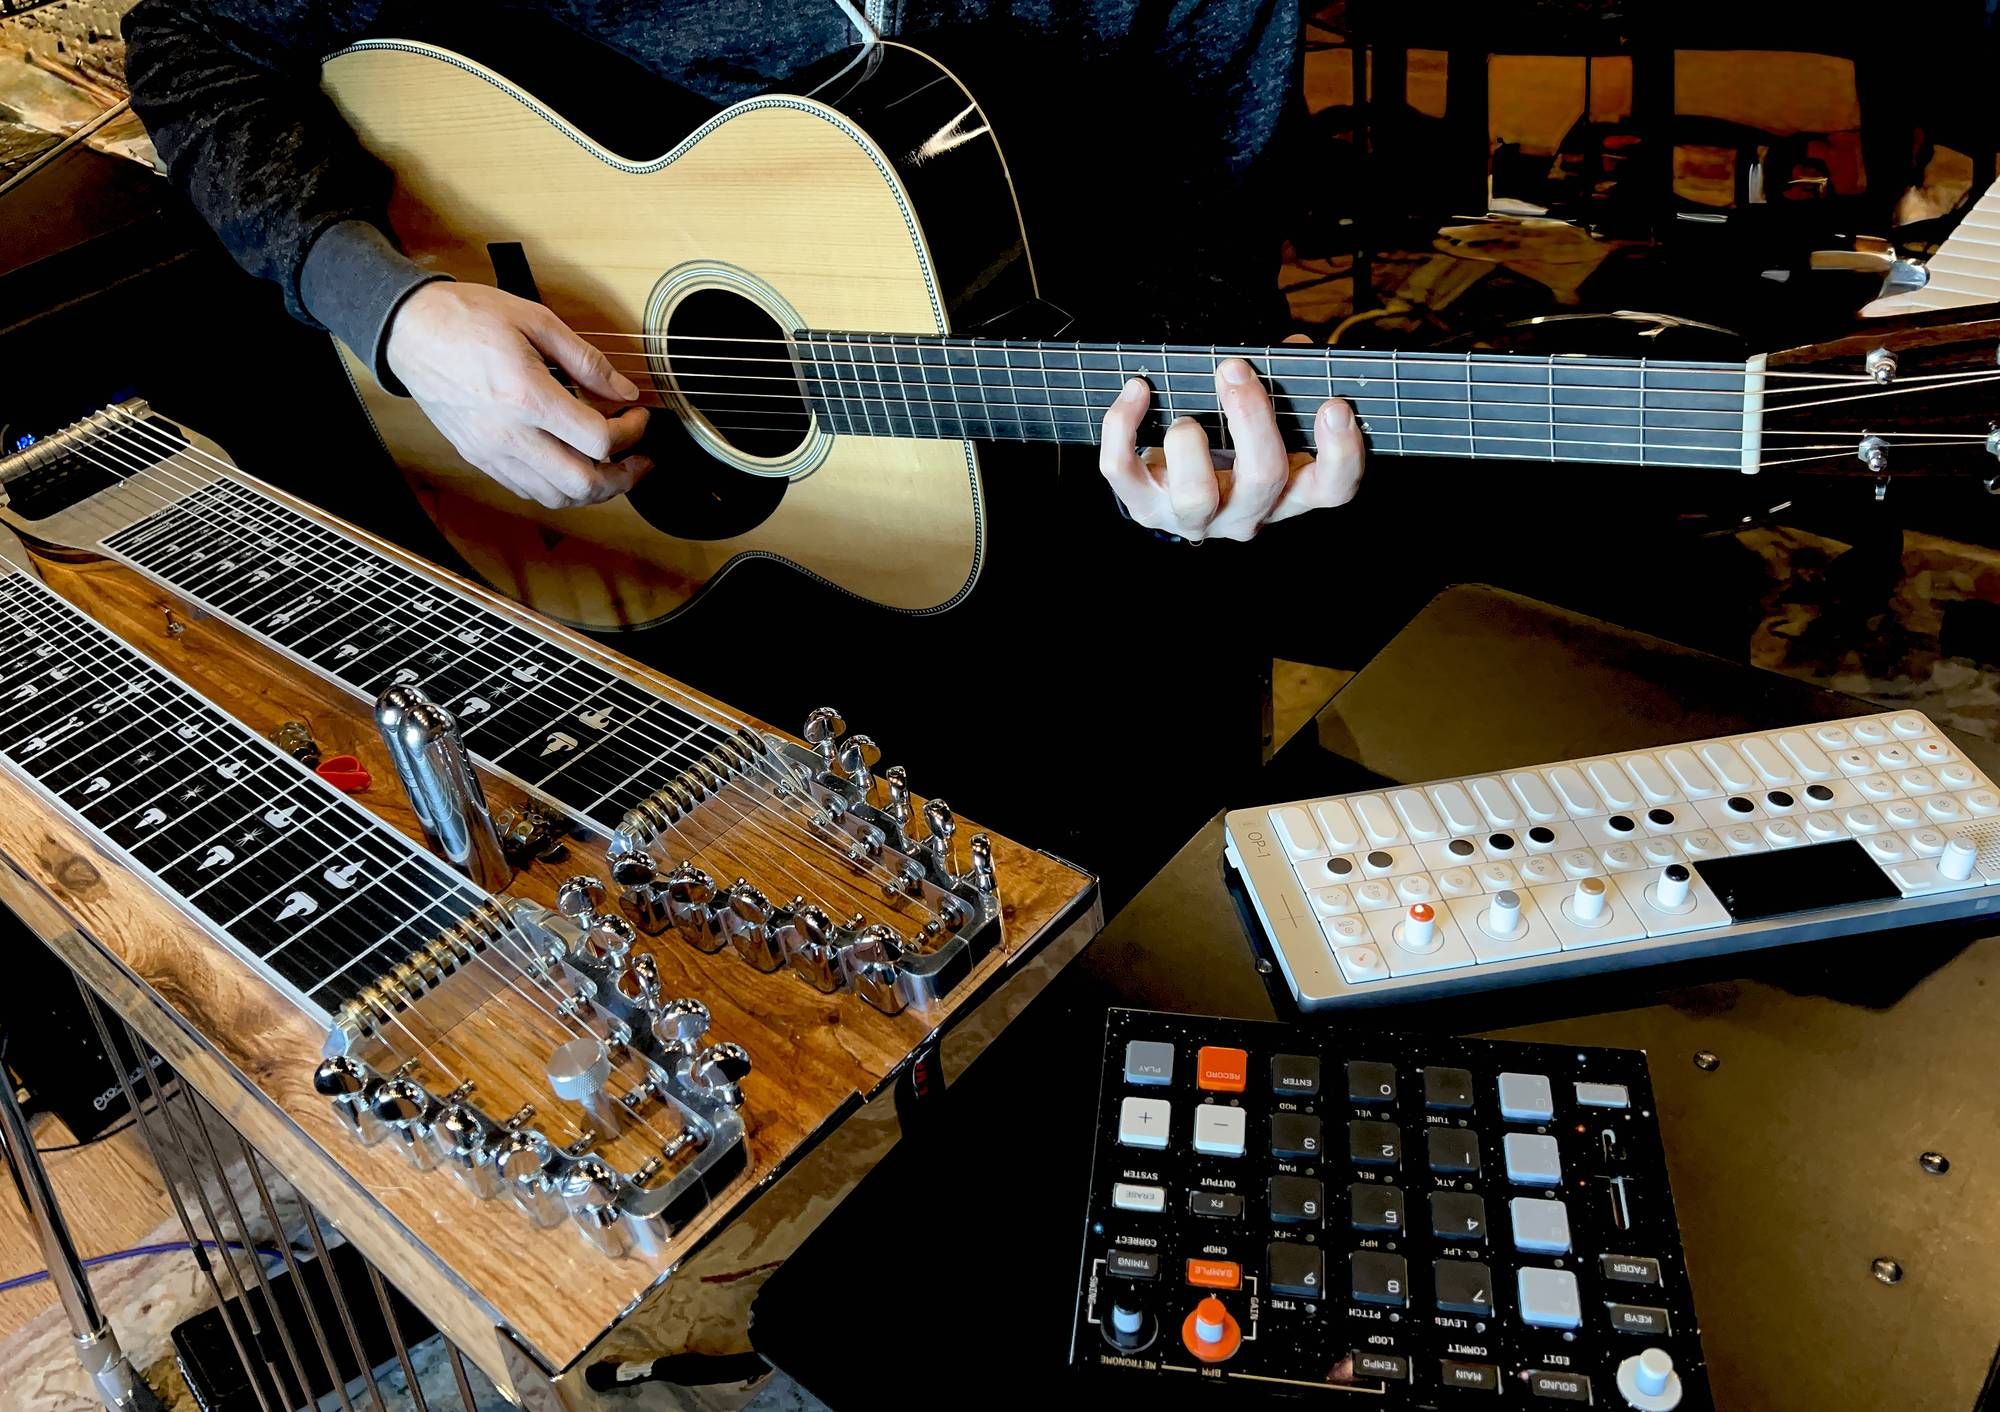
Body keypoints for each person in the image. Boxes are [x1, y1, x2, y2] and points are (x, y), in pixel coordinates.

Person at [121, 0, 1366, 902]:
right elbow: (190, 41)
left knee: (1106, 996)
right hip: (662, 593)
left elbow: (1205, 262)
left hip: (1072, 603)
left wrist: (1211, 466)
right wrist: (397, 313)